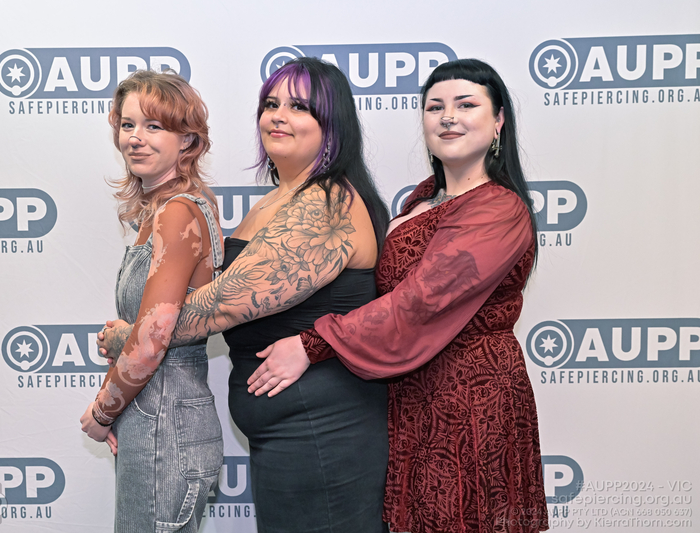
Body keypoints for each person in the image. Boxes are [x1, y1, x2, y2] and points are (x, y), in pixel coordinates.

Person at [247, 59, 549, 533]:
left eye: (466, 105)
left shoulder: (498, 207)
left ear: (498, 122)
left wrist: (310, 344)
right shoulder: (420, 200)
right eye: (435, 107)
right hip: (406, 401)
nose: (448, 117)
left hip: (469, 403)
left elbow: (420, 302)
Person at [99, 57, 392, 533]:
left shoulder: (327, 202)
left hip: (322, 432)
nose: (278, 116)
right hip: (286, 433)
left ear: (333, 124)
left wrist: (133, 337)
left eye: (299, 107)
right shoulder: (275, 201)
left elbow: (222, 305)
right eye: (270, 104)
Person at [79, 70, 224, 533]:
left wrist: (102, 412)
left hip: (163, 421)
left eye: (154, 126)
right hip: (157, 415)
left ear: (187, 140)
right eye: (128, 124)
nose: (135, 138)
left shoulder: (177, 212)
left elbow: (151, 340)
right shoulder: (164, 208)